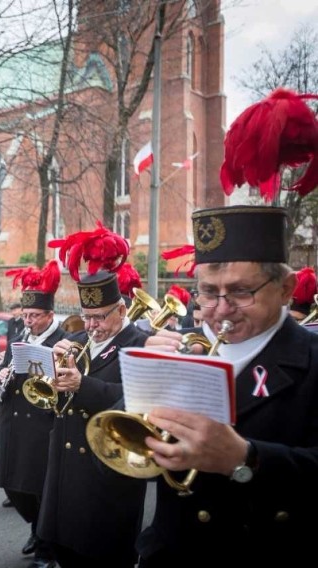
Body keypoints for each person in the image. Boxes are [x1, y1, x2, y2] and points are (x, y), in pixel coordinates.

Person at [137, 206, 318, 567]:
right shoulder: (177, 346)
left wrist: (245, 458)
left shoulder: (312, 358)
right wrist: (142, 383)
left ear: (285, 289)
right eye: (207, 292)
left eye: (240, 292)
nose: (220, 310)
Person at [39, 269, 149, 568]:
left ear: (122, 309)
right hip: (66, 468)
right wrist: (50, 375)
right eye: (86, 316)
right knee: (67, 551)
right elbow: (53, 402)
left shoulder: (140, 344)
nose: (91, 326)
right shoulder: (74, 338)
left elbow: (137, 402)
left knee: (102, 554)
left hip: (106, 471)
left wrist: (81, 384)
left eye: (99, 317)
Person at [0, 260, 66, 567]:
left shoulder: (63, 339)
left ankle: (46, 544)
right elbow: (2, 363)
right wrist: (0, 371)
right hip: (13, 417)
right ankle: (37, 527)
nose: (29, 320)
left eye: (34, 316)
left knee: (39, 486)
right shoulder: (20, 333)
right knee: (12, 484)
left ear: (49, 315)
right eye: (25, 315)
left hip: (42, 422)